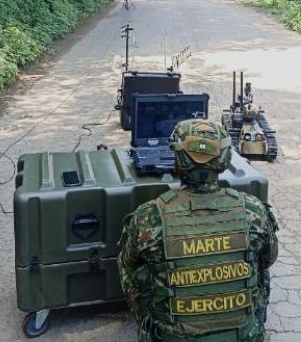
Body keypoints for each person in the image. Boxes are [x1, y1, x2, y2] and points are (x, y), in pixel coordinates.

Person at [118, 119, 279, 341]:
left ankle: (155, 324)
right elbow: (269, 258)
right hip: (244, 337)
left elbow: (129, 263)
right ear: (223, 161)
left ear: (177, 160)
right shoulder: (253, 210)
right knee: (258, 260)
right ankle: (248, 324)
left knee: (133, 263)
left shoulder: (149, 216)